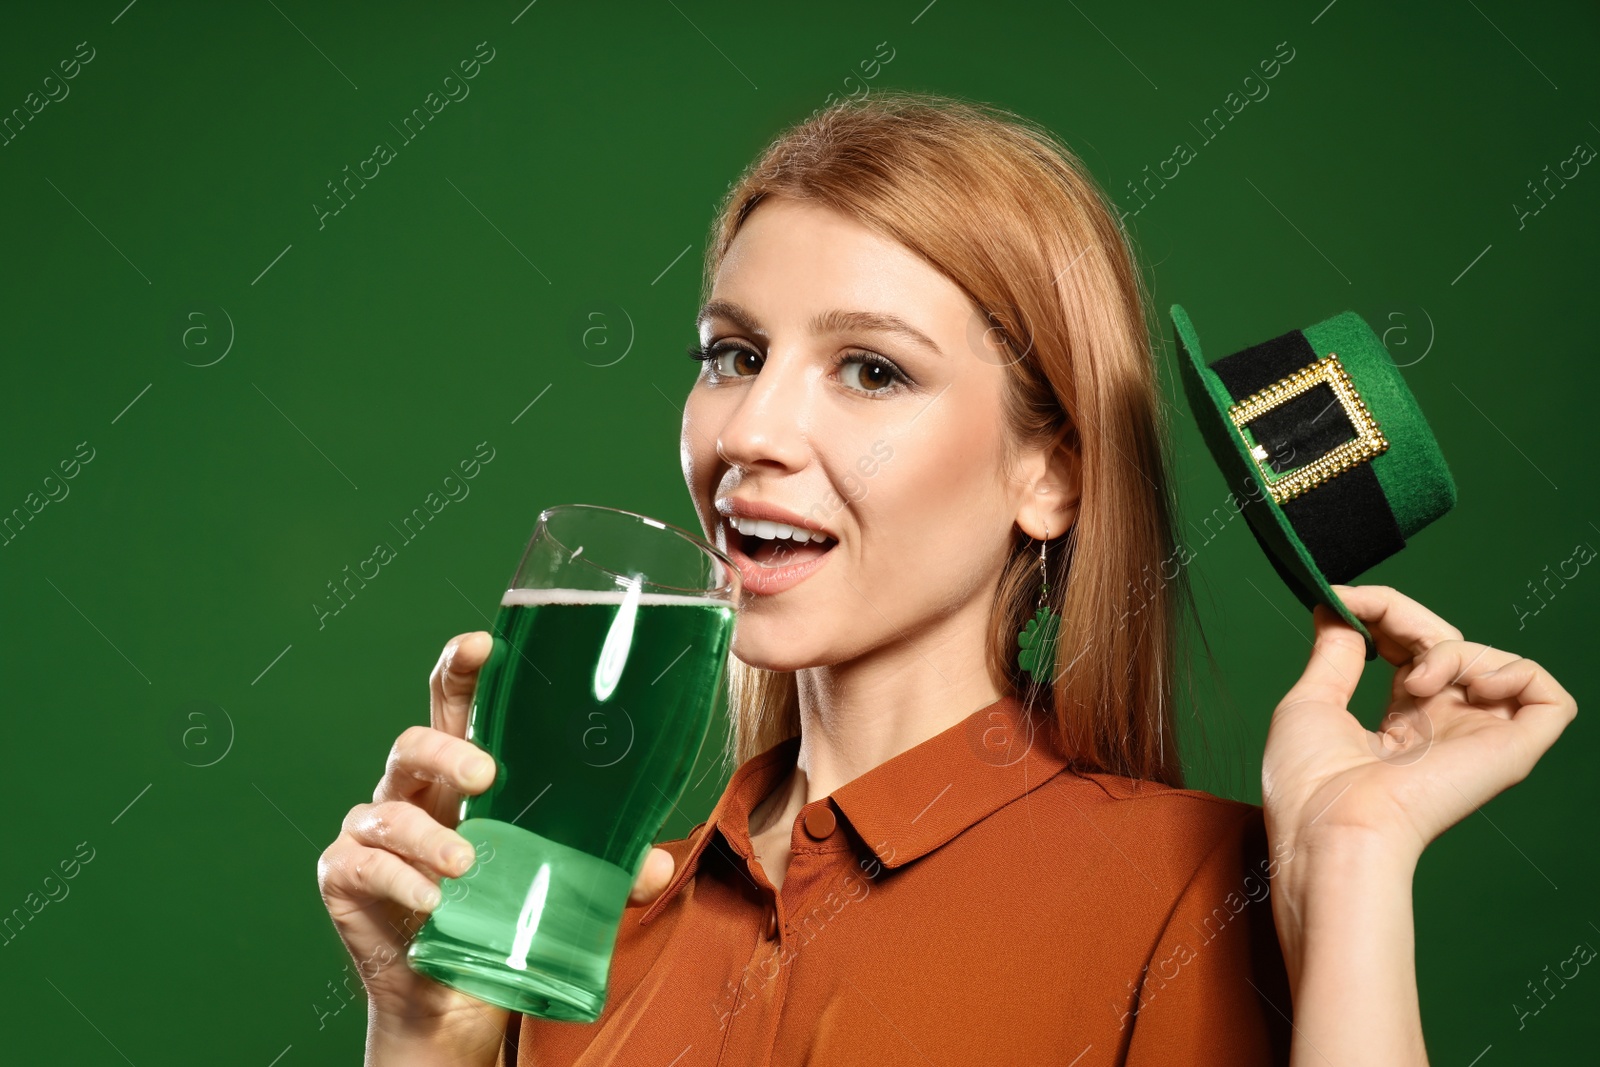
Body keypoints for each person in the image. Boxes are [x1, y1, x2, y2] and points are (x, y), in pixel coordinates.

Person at [317, 92, 1578, 1066]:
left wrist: (1351, 865)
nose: (749, 429)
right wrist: (420, 1035)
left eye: (870, 369)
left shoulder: (1197, 893)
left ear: (1052, 475)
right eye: (732, 352)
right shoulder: (583, 925)